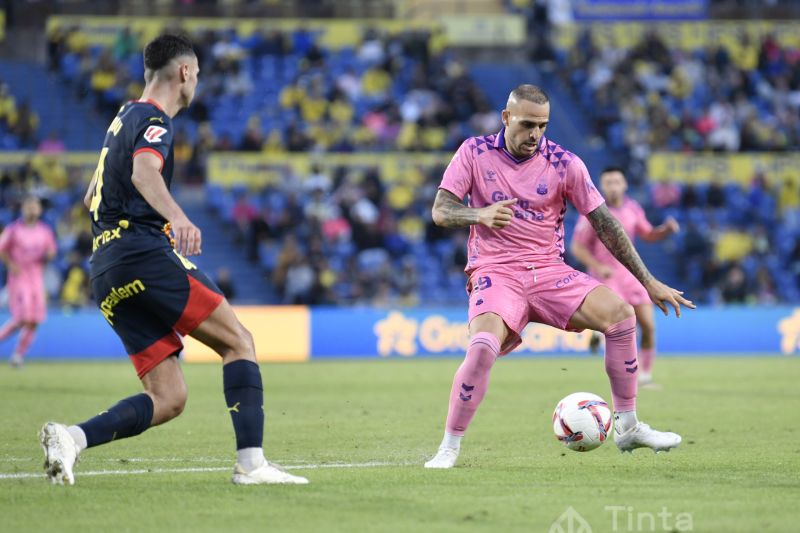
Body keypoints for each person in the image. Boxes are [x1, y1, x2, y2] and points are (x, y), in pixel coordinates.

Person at [38, 35, 308, 486]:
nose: (197, 82)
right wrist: (178, 218)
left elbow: (91, 196)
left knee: (169, 396)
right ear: (184, 72)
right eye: (197, 74)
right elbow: (144, 171)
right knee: (239, 341)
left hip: (105, 270)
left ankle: (72, 439)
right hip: (141, 253)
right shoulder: (155, 122)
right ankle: (252, 464)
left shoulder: (122, 119)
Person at [424, 85, 694, 469]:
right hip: (497, 271)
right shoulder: (473, 151)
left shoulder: (565, 163)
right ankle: (449, 447)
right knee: (482, 346)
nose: (534, 134)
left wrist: (648, 280)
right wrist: (478, 215)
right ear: (506, 118)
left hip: (550, 273)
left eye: (542, 126)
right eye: (526, 124)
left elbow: (606, 224)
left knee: (621, 315)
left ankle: (629, 426)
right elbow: (441, 210)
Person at [570, 168, 679, 385]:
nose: (613, 186)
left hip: (631, 276)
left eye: (616, 181)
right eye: (608, 182)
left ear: (624, 185)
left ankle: (645, 376)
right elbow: (577, 247)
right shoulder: (593, 212)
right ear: (601, 186)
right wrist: (598, 267)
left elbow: (647, 234)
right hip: (607, 277)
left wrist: (665, 231)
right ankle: (613, 362)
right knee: (618, 326)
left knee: (648, 325)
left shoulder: (633, 209)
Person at [0, 196, 57, 367]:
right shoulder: (13, 230)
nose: (32, 209)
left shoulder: (45, 231)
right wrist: (11, 265)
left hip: (36, 278)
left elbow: (52, 251)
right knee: (23, 317)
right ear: (23, 209)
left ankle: (18, 356)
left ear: (39, 210)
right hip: (19, 277)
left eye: (35, 206)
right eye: (29, 206)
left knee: (35, 320)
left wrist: (48, 256)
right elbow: (2, 249)